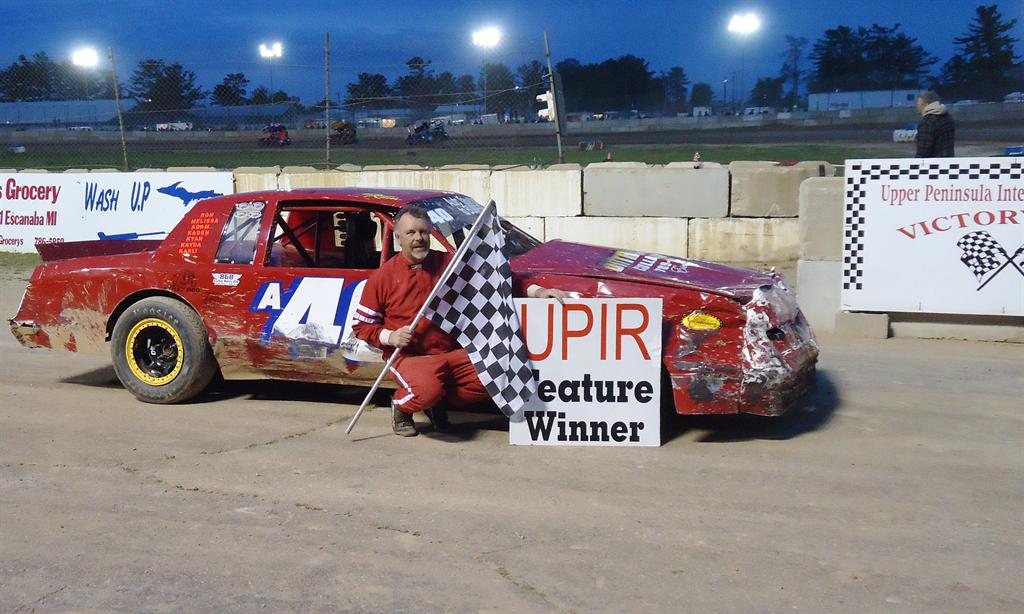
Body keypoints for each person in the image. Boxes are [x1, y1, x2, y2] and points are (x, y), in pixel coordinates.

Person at [352, 205, 567, 436]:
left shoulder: (449, 263)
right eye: (411, 233)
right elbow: (362, 326)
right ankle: (402, 406)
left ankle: (437, 402)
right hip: (411, 356)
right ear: (398, 238)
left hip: (454, 352)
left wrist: (537, 291)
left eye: (423, 232)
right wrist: (391, 337)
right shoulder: (382, 277)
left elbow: (497, 277)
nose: (418, 238)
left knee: (499, 373)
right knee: (426, 390)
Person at [915, 91, 955, 158]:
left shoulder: (927, 122)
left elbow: (923, 151)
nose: (917, 107)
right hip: (948, 160)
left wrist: (916, 162)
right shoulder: (948, 118)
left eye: (919, 104)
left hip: (933, 162)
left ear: (925, 105)